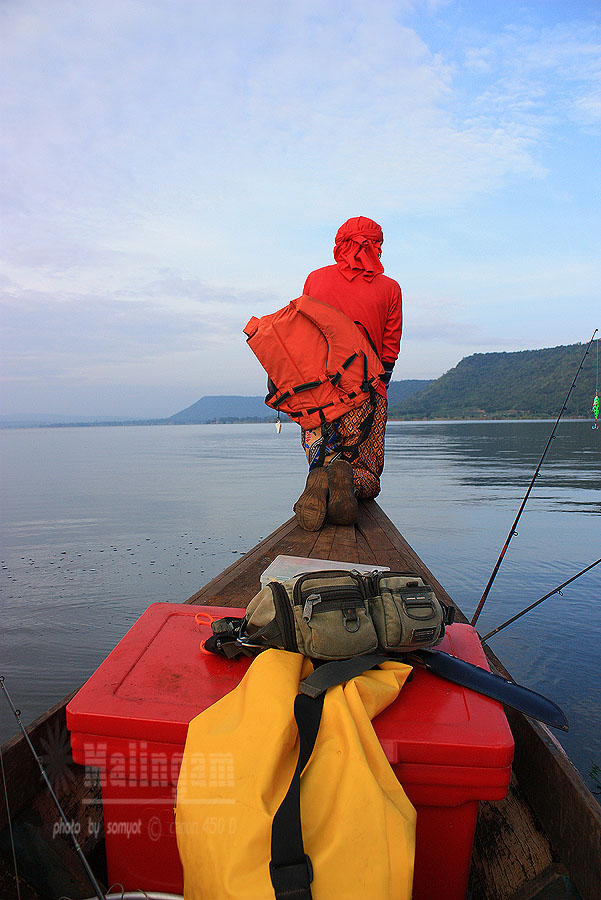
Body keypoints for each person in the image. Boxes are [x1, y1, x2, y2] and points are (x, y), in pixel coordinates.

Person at [293, 216, 402, 531]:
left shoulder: (315, 279)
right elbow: (390, 348)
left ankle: (323, 480)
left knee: (322, 456)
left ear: (340, 243)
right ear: (376, 246)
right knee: (367, 471)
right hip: (366, 390)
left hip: (316, 393)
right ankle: (347, 484)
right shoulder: (390, 288)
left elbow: (302, 330)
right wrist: (378, 387)